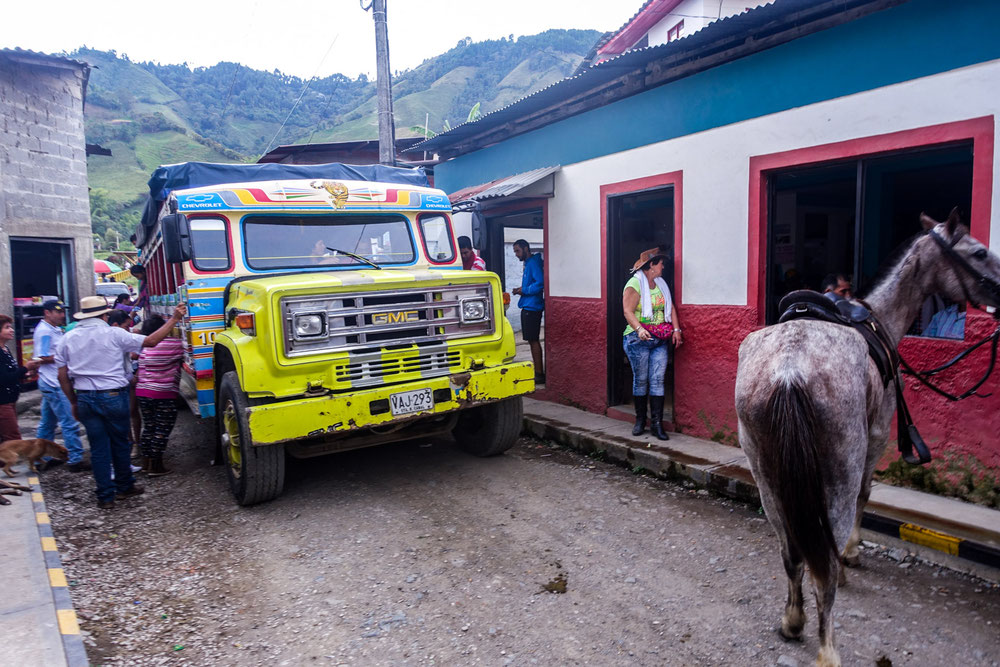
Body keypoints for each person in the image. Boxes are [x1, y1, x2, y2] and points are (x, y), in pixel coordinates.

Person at [56, 296, 186, 509]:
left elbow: (62, 375)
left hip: (85, 397)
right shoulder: (114, 333)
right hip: (113, 396)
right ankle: (125, 486)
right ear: (104, 315)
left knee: (98, 448)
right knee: (120, 443)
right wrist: (174, 319)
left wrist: (73, 401)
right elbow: (151, 341)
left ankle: (105, 497)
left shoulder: (67, 338)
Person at [622, 248, 682, 441]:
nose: (663, 266)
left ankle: (656, 424)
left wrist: (676, 330)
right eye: (660, 263)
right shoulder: (634, 283)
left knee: (657, 380)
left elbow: (670, 307)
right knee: (641, 380)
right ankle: (640, 420)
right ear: (651, 266)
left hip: (659, 339)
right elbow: (628, 311)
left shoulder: (661, 284)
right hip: (637, 339)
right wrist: (640, 329)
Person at [32, 300, 88, 472]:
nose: (62, 315)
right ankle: (76, 459)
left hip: (50, 381)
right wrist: (64, 356)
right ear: (47, 313)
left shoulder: (53, 329)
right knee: (69, 422)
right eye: (58, 312)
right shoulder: (44, 332)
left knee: (47, 424)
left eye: (63, 311)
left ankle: (40, 459)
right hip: (53, 382)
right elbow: (41, 358)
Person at [134, 315, 185, 476]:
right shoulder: (172, 344)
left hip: (142, 392)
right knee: (162, 429)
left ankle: (146, 463)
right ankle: (156, 466)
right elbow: (188, 349)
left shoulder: (144, 347)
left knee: (149, 427)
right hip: (163, 393)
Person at [0, 315, 41, 443]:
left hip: (10, 401)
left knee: (6, 441)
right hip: (2, 403)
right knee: (14, 440)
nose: (12, 330)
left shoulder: (5, 349)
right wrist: (25, 368)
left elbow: (12, 374)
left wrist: (28, 373)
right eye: (7, 328)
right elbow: (4, 378)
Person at [511, 239, 545, 384]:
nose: (517, 255)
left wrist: (523, 290)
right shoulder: (529, 264)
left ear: (526, 249)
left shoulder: (532, 263)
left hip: (532, 308)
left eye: (518, 251)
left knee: (533, 340)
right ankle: (538, 371)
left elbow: (540, 283)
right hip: (528, 306)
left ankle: (539, 372)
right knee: (532, 340)